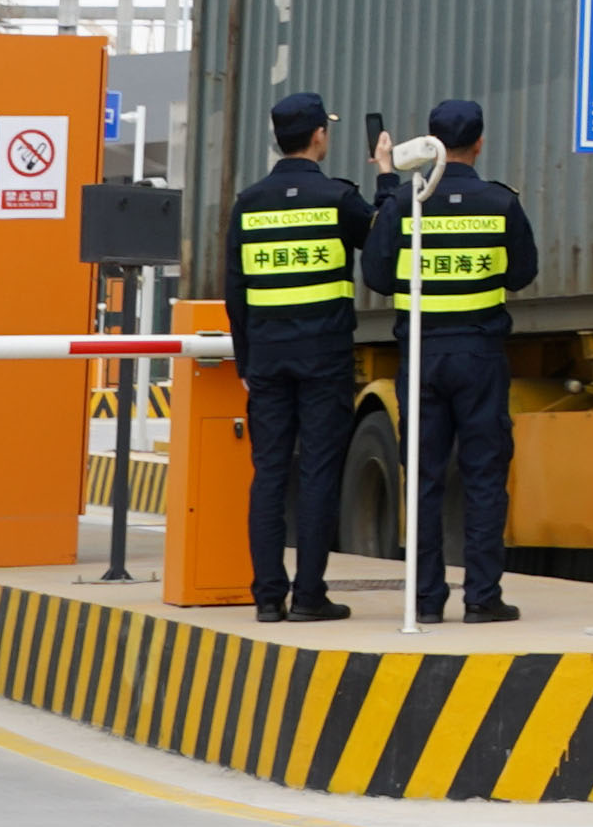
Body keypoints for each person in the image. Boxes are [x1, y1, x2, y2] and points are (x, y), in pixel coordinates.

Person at [217, 89, 369, 623]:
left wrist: (246, 362)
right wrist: (388, 179)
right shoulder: (337, 198)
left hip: (267, 359)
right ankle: (308, 597)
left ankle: (266, 597)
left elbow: (235, 292)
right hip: (324, 357)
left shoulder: (249, 203)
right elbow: (381, 241)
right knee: (319, 472)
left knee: (269, 474)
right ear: (319, 135)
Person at [389, 97, 524, 625]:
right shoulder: (501, 203)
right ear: (480, 143)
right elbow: (523, 273)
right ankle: (482, 597)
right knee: (484, 476)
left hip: (421, 355)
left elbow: (376, 274)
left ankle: (425, 600)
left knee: (423, 477)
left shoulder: (406, 204)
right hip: (479, 356)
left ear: (431, 145)